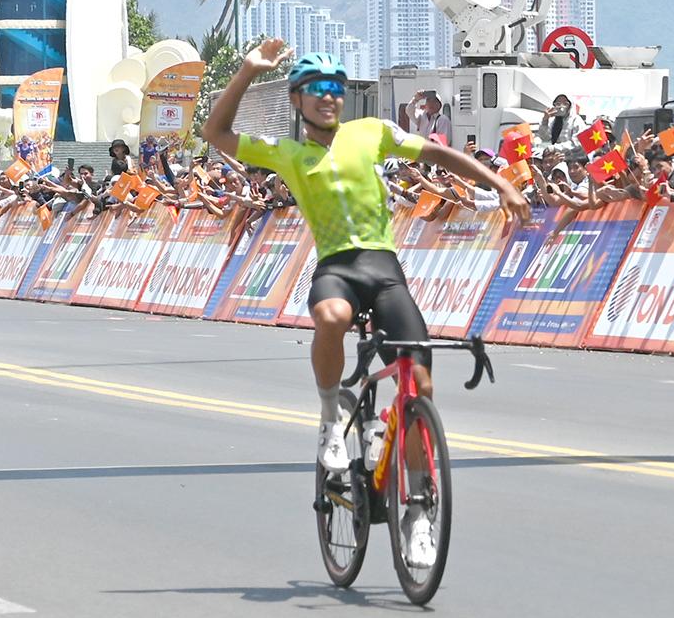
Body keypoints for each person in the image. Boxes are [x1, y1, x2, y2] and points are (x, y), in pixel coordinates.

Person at [200, 42, 528, 569]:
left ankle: (418, 512)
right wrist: (245, 72)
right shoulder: (285, 152)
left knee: (419, 385)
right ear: (297, 101)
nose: (329, 98)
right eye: (317, 91)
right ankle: (332, 421)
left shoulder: (370, 132)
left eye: (335, 89)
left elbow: (440, 156)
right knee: (330, 317)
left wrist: (500, 183)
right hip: (337, 268)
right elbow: (214, 135)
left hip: (384, 270)